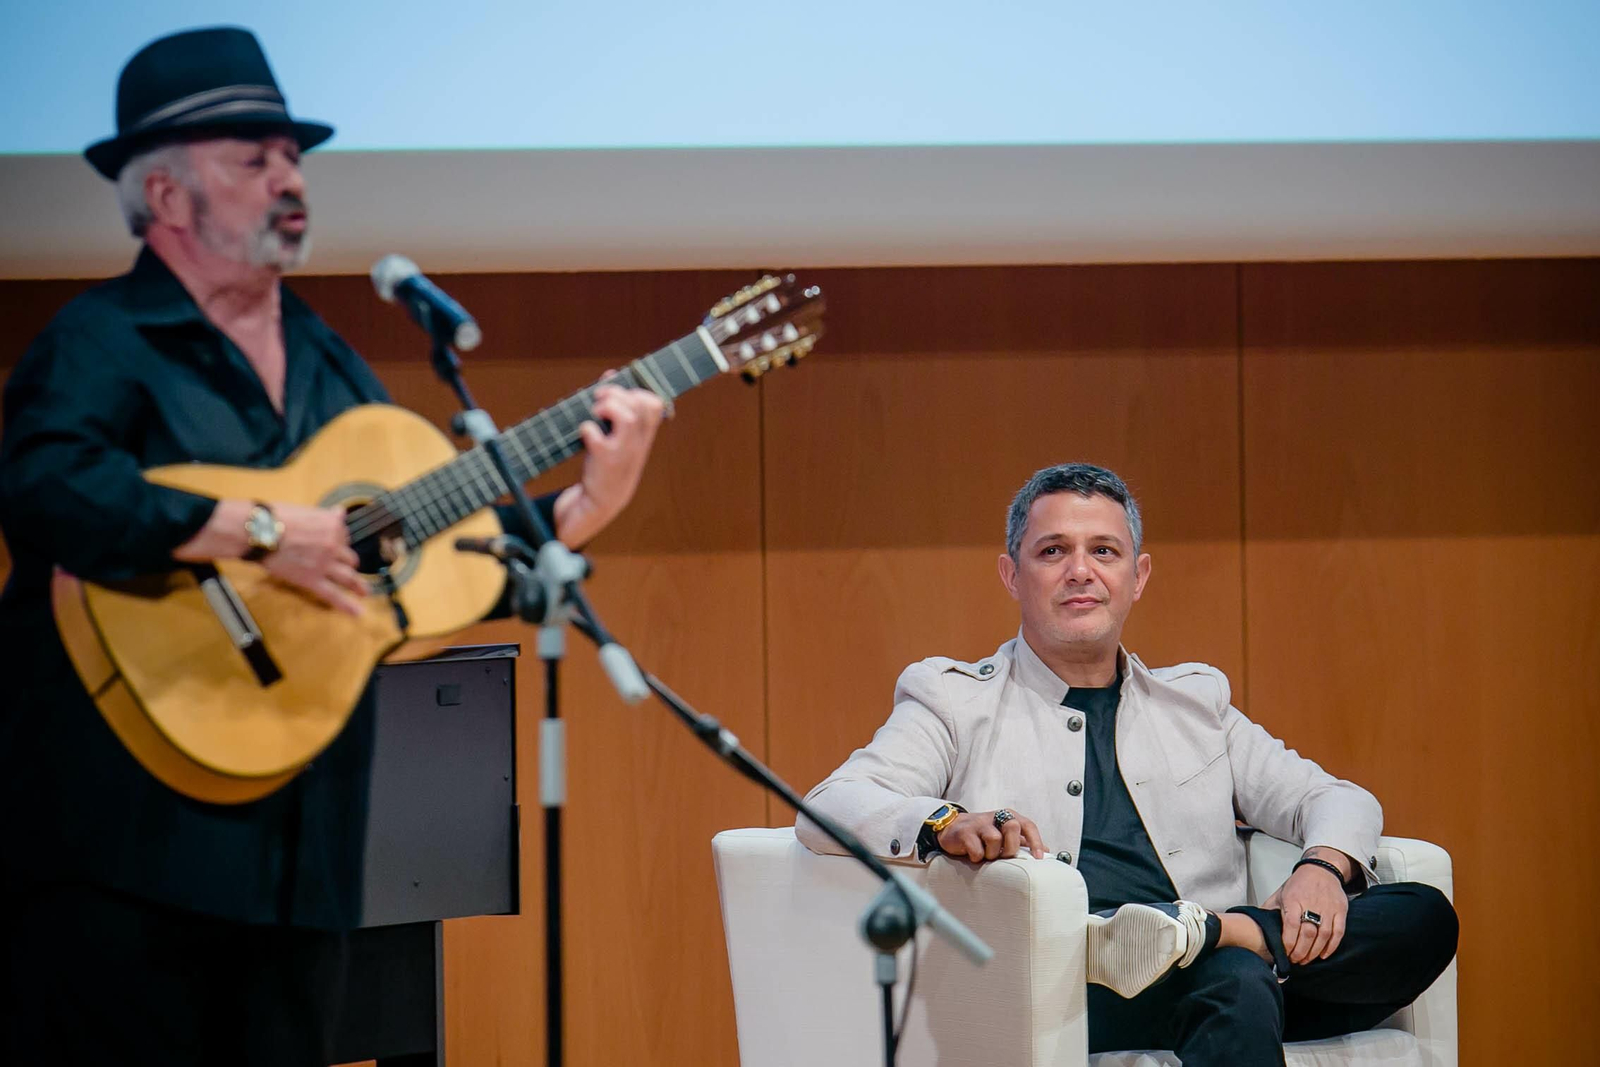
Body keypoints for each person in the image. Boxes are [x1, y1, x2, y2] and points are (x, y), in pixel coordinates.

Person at [0, 27, 665, 1066]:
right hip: (121, 850)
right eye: (252, 160)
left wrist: (584, 502)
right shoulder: (101, 343)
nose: (288, 179)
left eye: (293, 156)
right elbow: (42, 490)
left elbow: (412, 566)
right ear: (167, 198)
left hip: (299, 854)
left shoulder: (330, 361)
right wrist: (257, 530)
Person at [797, 462, 1458, 1065]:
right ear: (1012, 574)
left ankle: (1212, 932)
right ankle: (1225, 940)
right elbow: (832, 800)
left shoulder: (1196, 703)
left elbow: (1336, 797)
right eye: (1053, 551)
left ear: (1137, 577)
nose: (1079, 570)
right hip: (1064, 992)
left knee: (1424, 916)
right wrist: (944, 820)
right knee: (1237, 979)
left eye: (1103, 551)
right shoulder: (954, 699)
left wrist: (1320, 868)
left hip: (1218, 977)